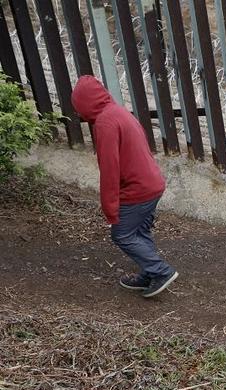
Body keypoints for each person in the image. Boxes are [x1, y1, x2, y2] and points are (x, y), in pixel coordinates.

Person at [71, 75, 178, 298]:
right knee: (140, 231)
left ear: (85, 104)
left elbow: (110, 170)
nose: (78, 113)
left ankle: (161, 271)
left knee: (122, 234)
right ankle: (149, 273)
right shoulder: (117, 112)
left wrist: (110, 208)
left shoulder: (105, 123)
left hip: (137, 188)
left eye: (78, 107)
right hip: (152, 183)